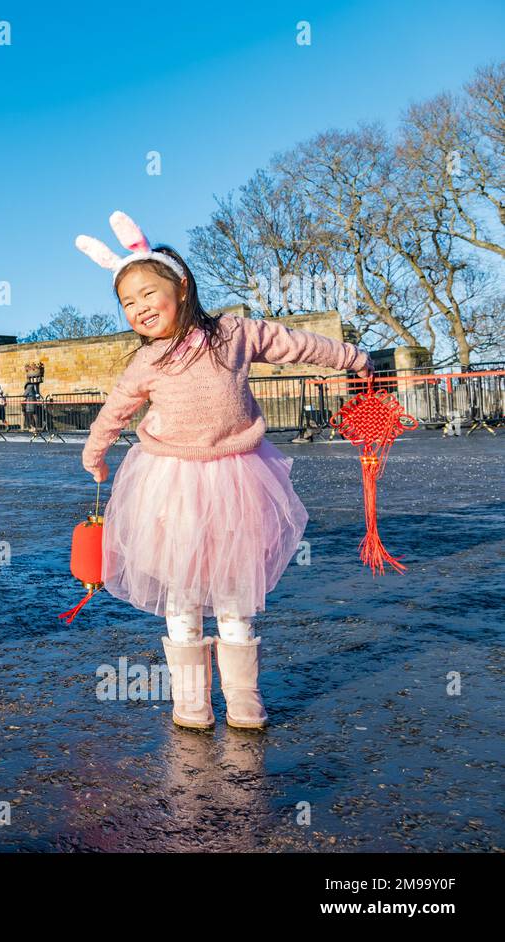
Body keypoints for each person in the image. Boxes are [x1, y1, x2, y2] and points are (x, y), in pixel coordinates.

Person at [75, 211, 373, 731]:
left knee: (236, 592)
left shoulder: (234, 333)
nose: (139, 307)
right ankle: (191, 702)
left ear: (181, 285)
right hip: (170, 482)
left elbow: (298, 345)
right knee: (183, 592)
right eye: (127, 302)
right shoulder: (145, 363)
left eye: (148, 293)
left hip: (238, 477)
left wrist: (352, 357)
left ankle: (243, 699)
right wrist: (95, 454)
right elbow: (116, 410)